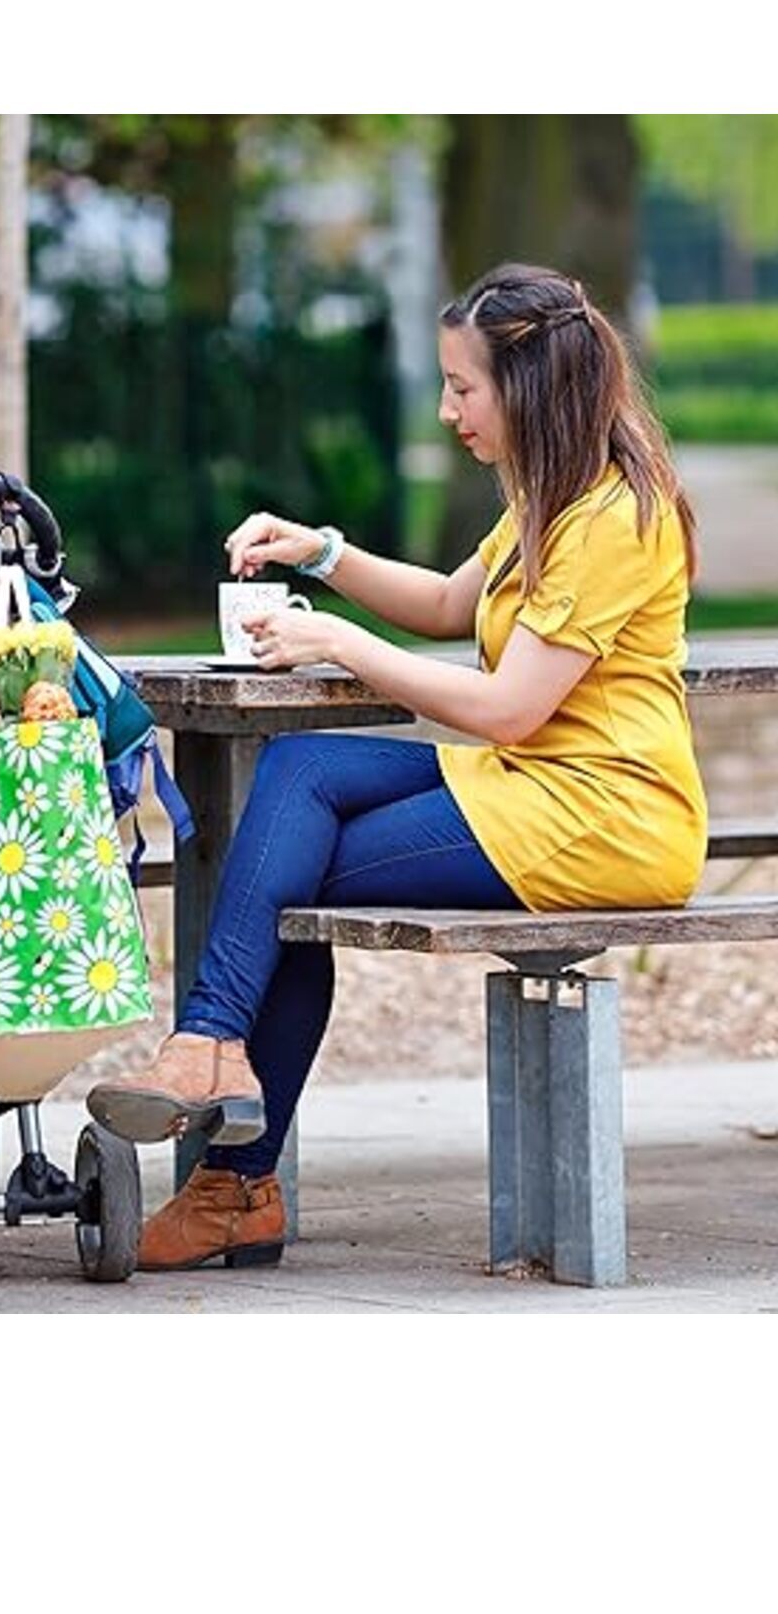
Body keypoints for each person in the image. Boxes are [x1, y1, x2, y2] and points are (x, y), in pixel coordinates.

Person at [86, 262, 708, 1271]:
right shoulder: (555, 496)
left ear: (529, 388)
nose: (447, 407)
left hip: (606, 818)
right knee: (299, 778)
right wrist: (320, 552)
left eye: (463, 387)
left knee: (282, 875)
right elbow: (450, 605)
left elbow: (508, 710)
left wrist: (338, 644)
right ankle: (211, 1064)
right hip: (537, 790)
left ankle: (231, 1172)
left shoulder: (613, 519)